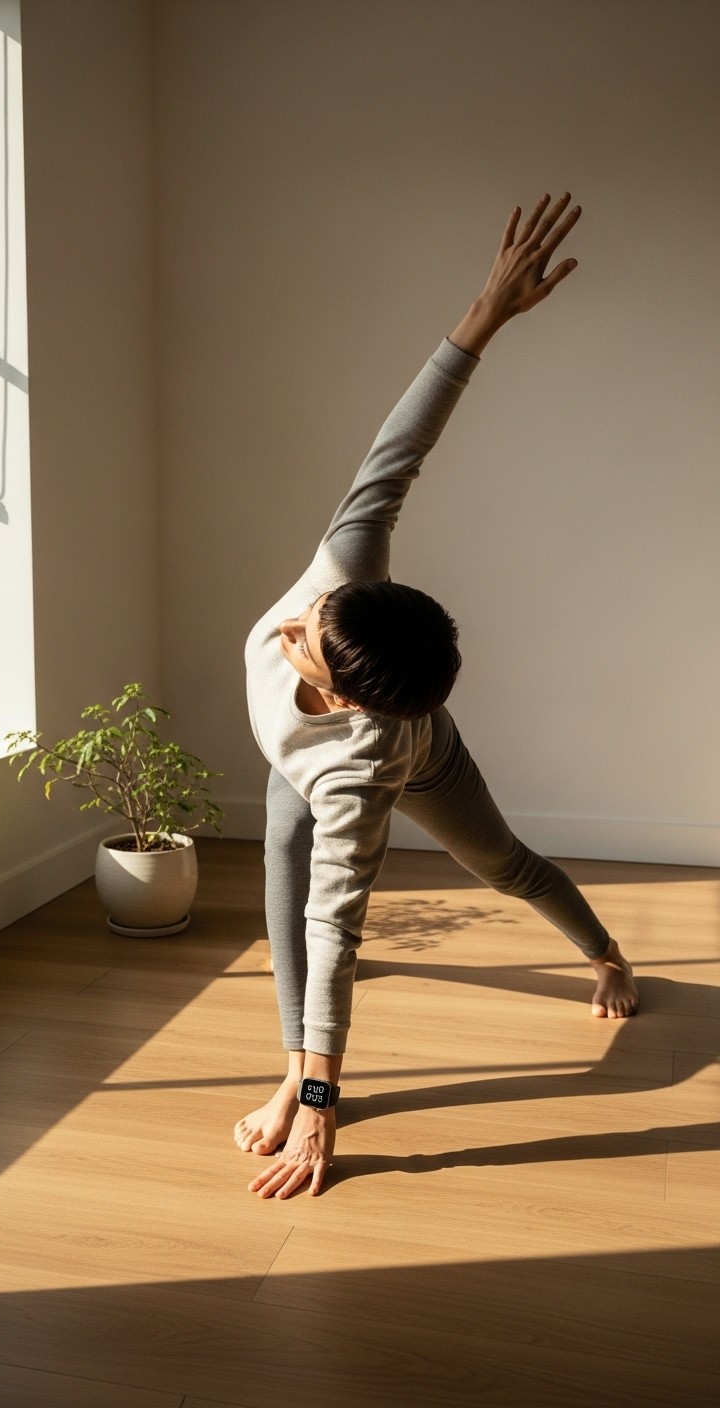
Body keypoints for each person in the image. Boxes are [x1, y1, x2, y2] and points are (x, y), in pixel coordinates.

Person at [235, 192, 639, 1200]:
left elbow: (342, 934)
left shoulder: (366, 770)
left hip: (400, 767)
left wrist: (328, 1108)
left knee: (503, 863)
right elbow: (398, 451)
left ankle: (610, 953)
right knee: (279, 881)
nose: (288, 625)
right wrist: (486, 312)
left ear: (355, 704)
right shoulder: (347, 571)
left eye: (306, 648)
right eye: (313, 616)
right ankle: (285, 1072)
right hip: (297, 763)